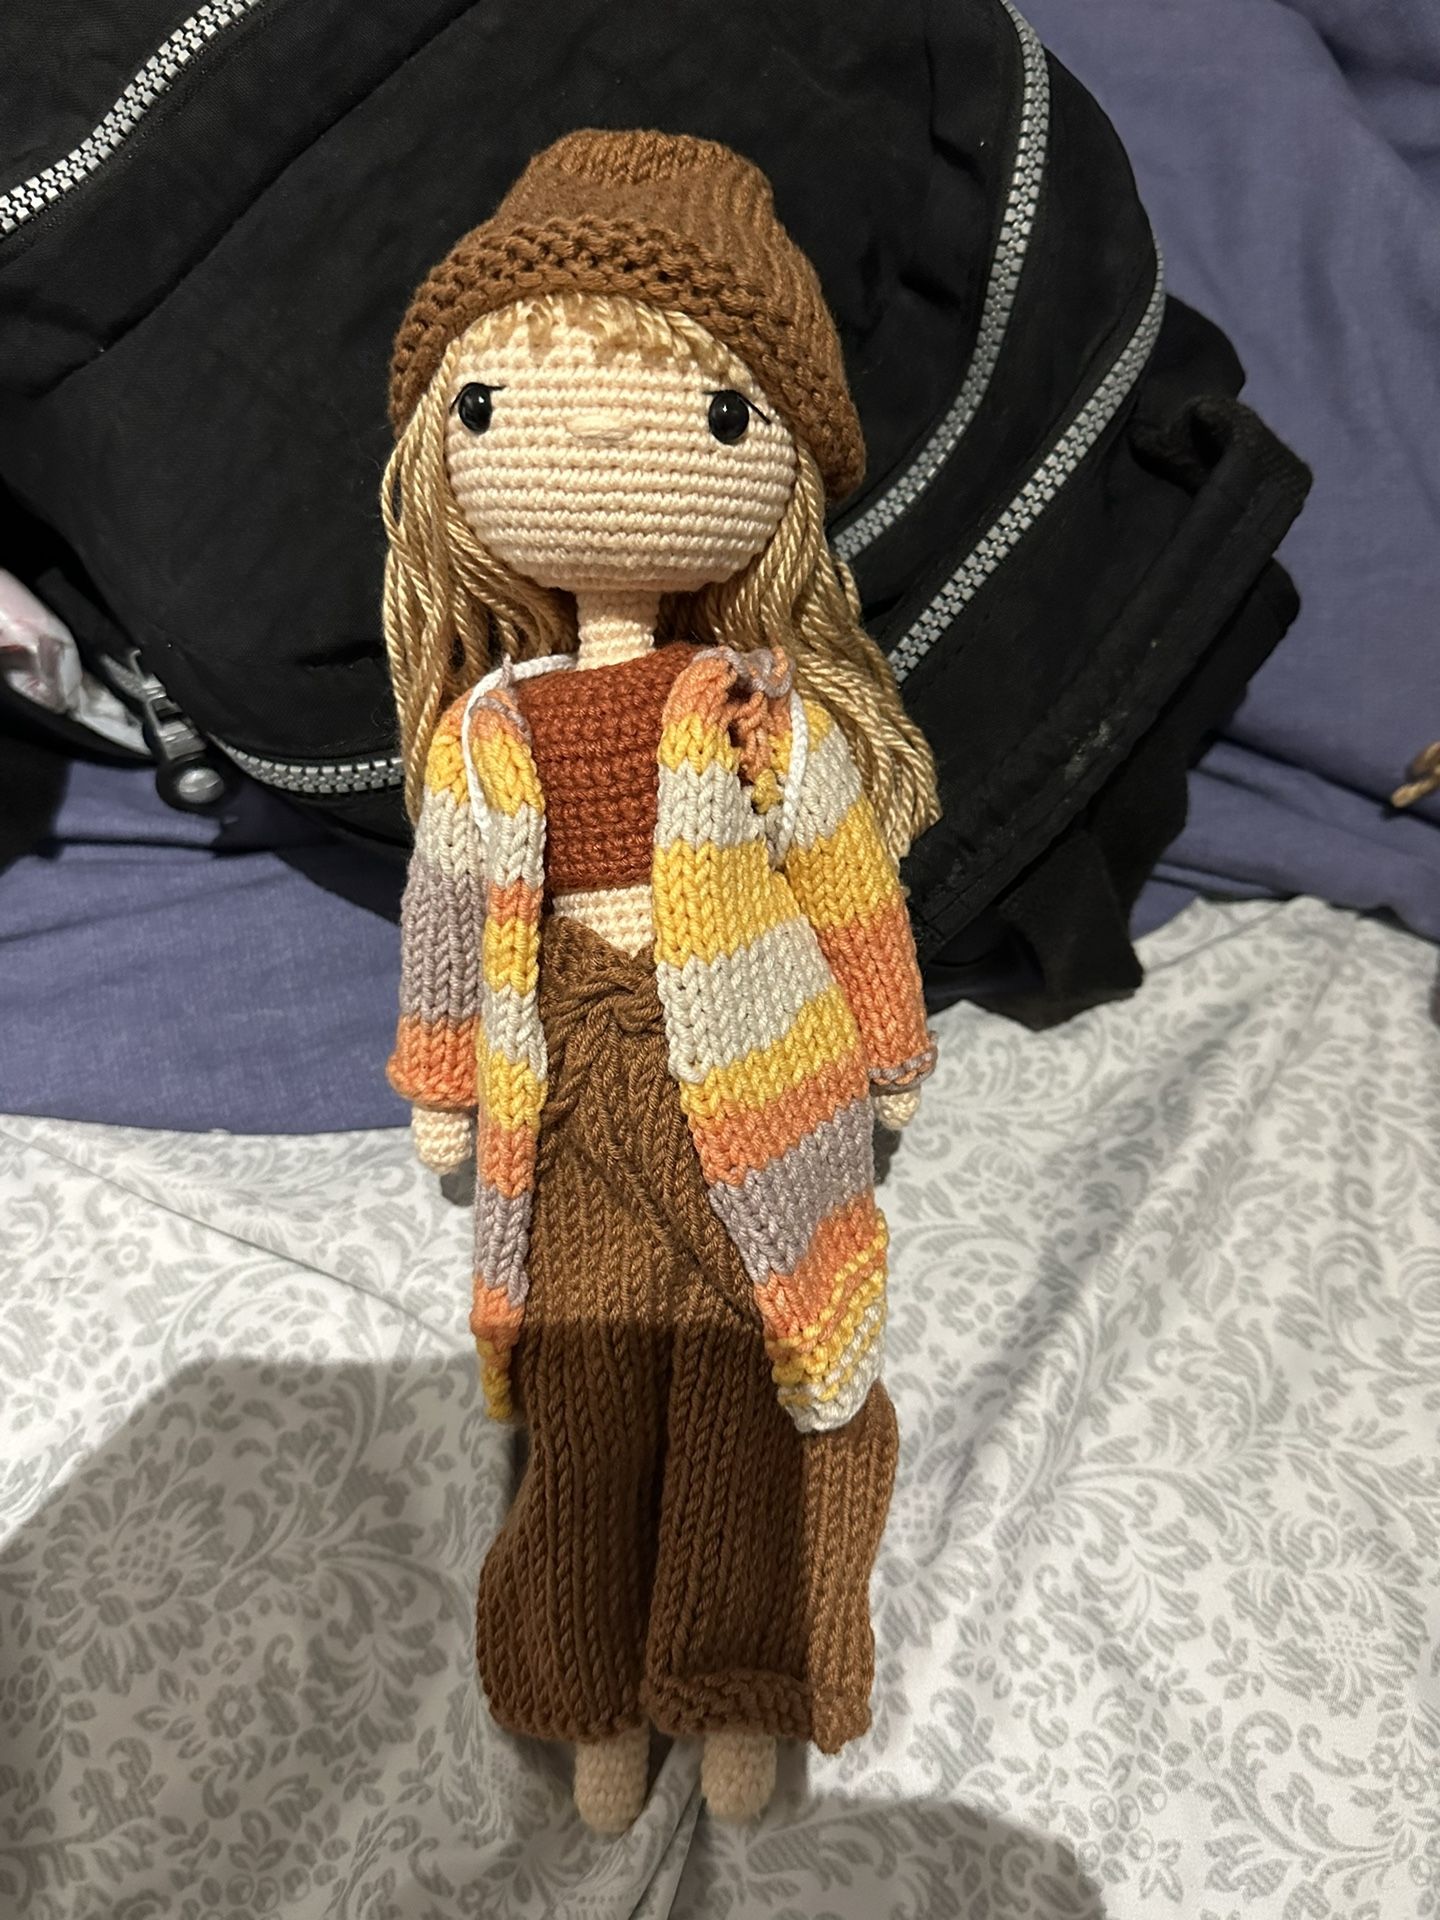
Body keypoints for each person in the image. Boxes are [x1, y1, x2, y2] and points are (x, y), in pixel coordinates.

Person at [381, 128, 938, 1831]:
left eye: (700, 414)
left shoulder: (767, 720)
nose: (603, 441)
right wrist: (443, 1078)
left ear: (775, 466)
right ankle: (588, 1701)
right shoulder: (484, 732)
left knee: (748, 1391)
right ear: (449, 450)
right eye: (503, 406)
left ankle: (738, 1684)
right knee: (588, 1400)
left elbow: (846, 882)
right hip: (567, 1111)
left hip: (749, 1098)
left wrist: (889, 1040)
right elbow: (445, 913)